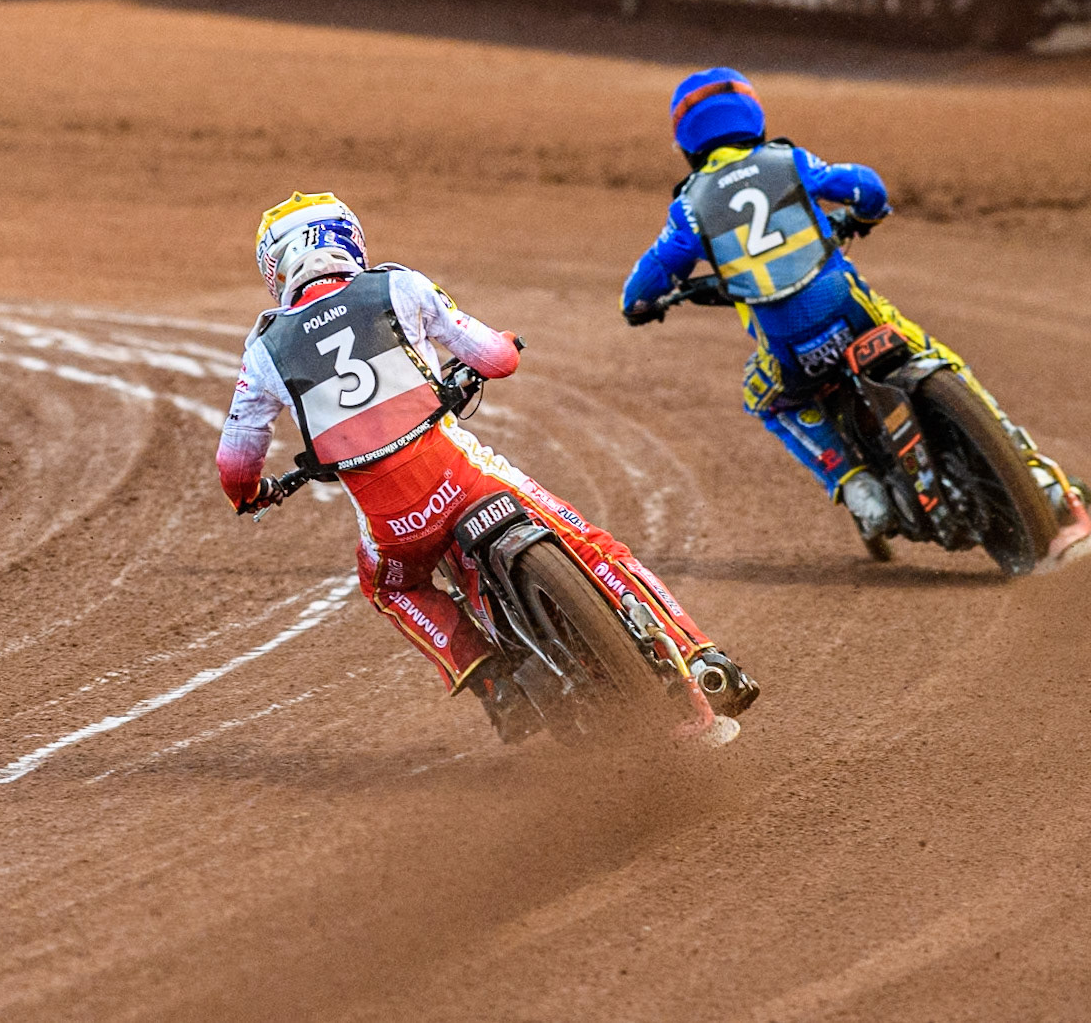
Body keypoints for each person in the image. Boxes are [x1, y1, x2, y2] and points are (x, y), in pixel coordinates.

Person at [217, 191, 755, 739]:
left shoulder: (264, 347)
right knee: (594, 547)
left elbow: (235, 468)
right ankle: (701, 656)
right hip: (465, 480)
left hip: (395, 529)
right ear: (347, 239)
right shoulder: (397, 284)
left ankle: (491, 680)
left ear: (276, 267)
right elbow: (497, 360)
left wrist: (253, 494)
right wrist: (503, 346)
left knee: (390, 590)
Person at [622, 68, 1089, 554]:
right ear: (753, 117)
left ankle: (856, 486)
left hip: (792, 353)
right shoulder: (789, 161)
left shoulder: (690, 207)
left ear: (686, 142)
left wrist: (639, 306)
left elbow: (648, 280)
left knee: (766, 397)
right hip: (854, 314)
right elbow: (867, 188)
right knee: (939, 358)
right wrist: (864, 216)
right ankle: (1044, 480)